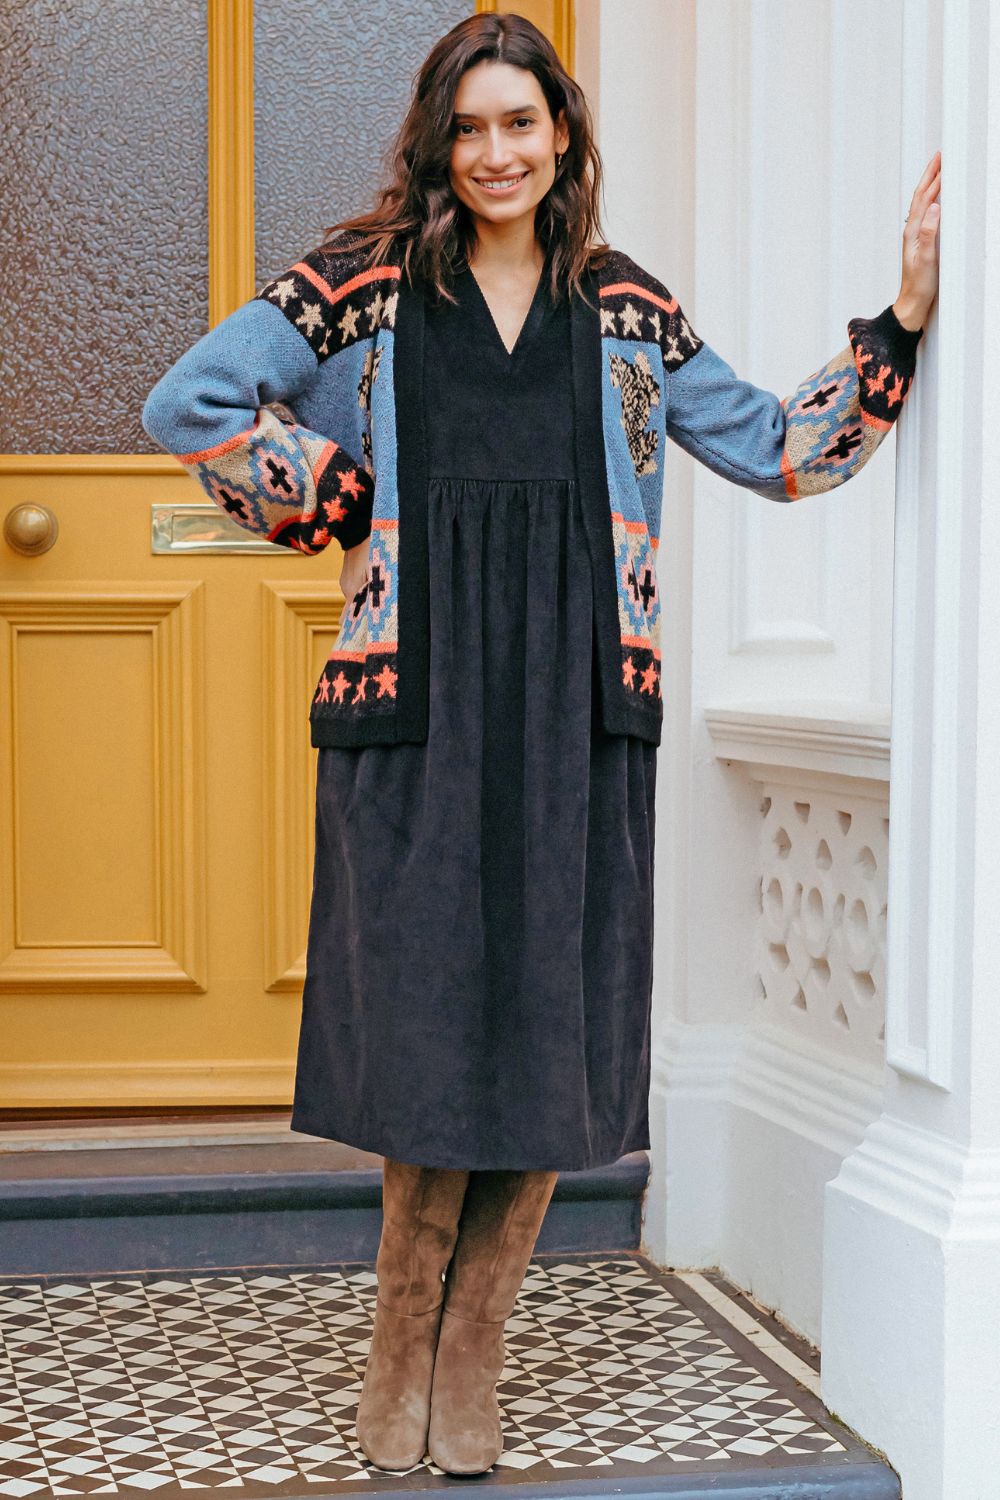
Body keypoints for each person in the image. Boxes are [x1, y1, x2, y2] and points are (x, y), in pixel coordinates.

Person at [141, 11, 941, 1479]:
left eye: (523, 123)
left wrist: (895, 326)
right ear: (438, 140)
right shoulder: (361, 282)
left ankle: (472, 1352)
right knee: (432, 1023)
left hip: (581, 706)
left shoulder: (625, 310)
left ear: (563, 136)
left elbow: (778, 447)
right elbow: (185, 400)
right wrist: (333, 495)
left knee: (550, 1025)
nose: (497, 152)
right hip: (413, 705)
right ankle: (399, 1345)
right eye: (471, 126)